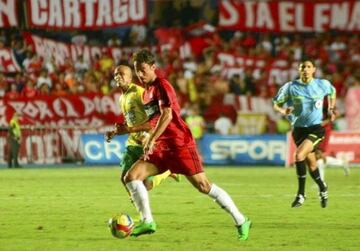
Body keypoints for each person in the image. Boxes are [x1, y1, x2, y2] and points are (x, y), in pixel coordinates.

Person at [121, 49, 251, 240]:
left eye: (143, 70)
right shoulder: (146, 93)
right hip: (161, 147)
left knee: (204, 186)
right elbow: (155, 120)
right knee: (131, 177)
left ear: (153, 67)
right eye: (136, 70)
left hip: (179, 144)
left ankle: (241, 220)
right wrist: (147, 135)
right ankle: (147, 221)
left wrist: (152, 138)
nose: (140, 74)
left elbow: (167, 115)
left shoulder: (162, 85)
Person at [105, 65, 179, 213]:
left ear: (130, 77)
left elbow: (154, 119)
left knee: (145, 184)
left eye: (122, 74)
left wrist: (149, 135)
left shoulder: (140, 93)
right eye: (116, 74)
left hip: (146, 141)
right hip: (133, 142)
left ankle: (166, 171)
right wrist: (116, 131)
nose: (119, 76)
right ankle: (141, 212)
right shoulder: (122, 98)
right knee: (125, 178)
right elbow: (130, 120)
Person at [273, 59, 337, 208]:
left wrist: (331, 109)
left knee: (299, 155)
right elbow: (276, 103)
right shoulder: (291, 87)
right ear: (298, 70)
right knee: (312, 164)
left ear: (314, 69)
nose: (306, 70)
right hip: (299, 130)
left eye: (308, 67)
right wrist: (283, 110)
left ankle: (301, 194)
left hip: (316, 128)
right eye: (303, 67)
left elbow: (332, 92)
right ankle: (323, 187)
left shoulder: (322, 84)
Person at [315, 97, 350, 180]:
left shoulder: (327, 100)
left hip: (324, 130)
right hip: (318, 130)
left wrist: (326, 122)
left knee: (319, 155)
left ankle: (321, 183)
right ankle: (342, 163)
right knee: (318, 157)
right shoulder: (316, 99)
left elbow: (336, 114)